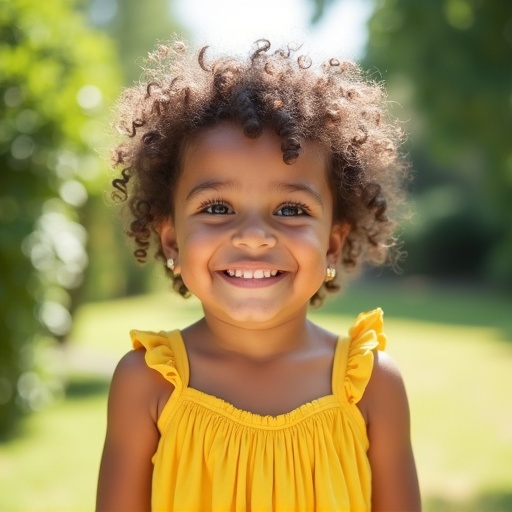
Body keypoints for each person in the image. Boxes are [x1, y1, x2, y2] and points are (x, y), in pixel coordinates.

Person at [96, 39, 421, 512]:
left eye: (290, 209)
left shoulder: (371, 386)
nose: (253, 236)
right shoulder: (148, 384)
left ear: (331, 241)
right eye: (217, 207)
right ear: (172, 241)